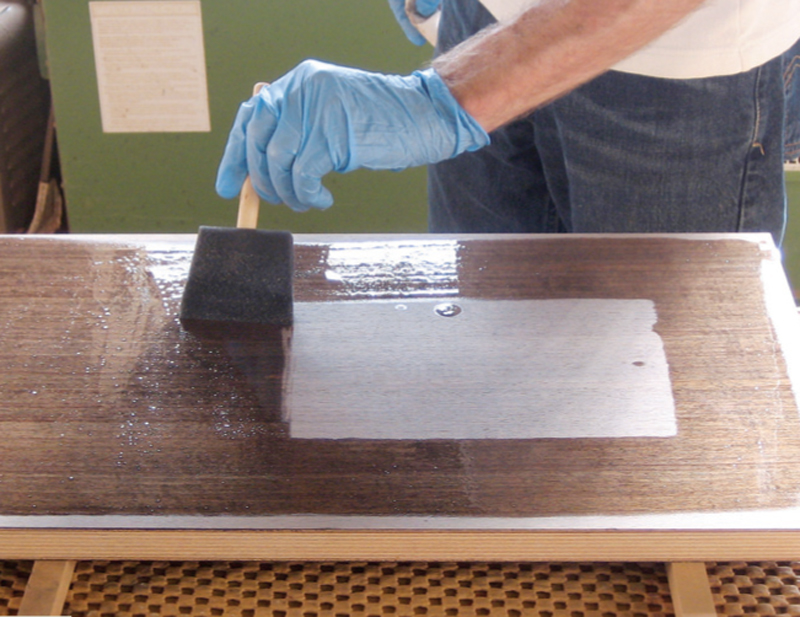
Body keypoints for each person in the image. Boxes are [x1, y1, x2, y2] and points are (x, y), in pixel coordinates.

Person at [216, 0, 800, 244]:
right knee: (481, 339)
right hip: (485, 24)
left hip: (673, 64)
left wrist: (448, 97)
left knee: (660, 404)